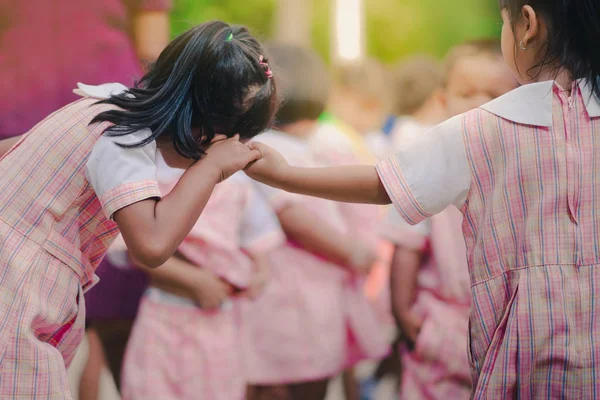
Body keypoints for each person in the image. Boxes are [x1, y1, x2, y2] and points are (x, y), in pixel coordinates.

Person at [246, 0, 600, 397]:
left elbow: (383, 183)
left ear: (527, 25)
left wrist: (284, 175)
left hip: (523, 361)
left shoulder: (481, 130)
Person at [0, 20, 277, 398]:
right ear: (205, 133)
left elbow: (17, 149)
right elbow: (150, 244)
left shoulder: (106, 105)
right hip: (13, 305)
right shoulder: (123, 135)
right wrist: (209, 168)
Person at [242, 43, 388, 400]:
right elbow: (293, 215)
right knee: (297, 382)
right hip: (293, 297)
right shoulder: (275, 148)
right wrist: (351, 252)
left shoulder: (275, 144)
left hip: (296, 295)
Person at [381, 39, 517, 400]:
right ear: (442, 102)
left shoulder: (526, 167)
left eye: (493, 94)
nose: (478, 104)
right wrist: (402, 309)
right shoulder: (429, 164)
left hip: (508, 327)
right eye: (466, 93)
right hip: (440, 318)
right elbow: (407, 244)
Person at [121, 154, 284, 400]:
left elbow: (258, 242)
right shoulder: (153, 176)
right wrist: (196, 281)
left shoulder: (239, 184)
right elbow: (138, 250)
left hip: (220, 316)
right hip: (165, 310)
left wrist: (258, 276)